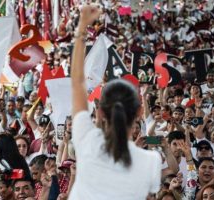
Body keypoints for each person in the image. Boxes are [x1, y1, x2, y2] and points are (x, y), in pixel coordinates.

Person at [69, 4, 162, 200]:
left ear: (100, 113)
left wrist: (82, 28)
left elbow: (77, 82)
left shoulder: (86, 140)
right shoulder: (151, 162)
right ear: (139, 113)